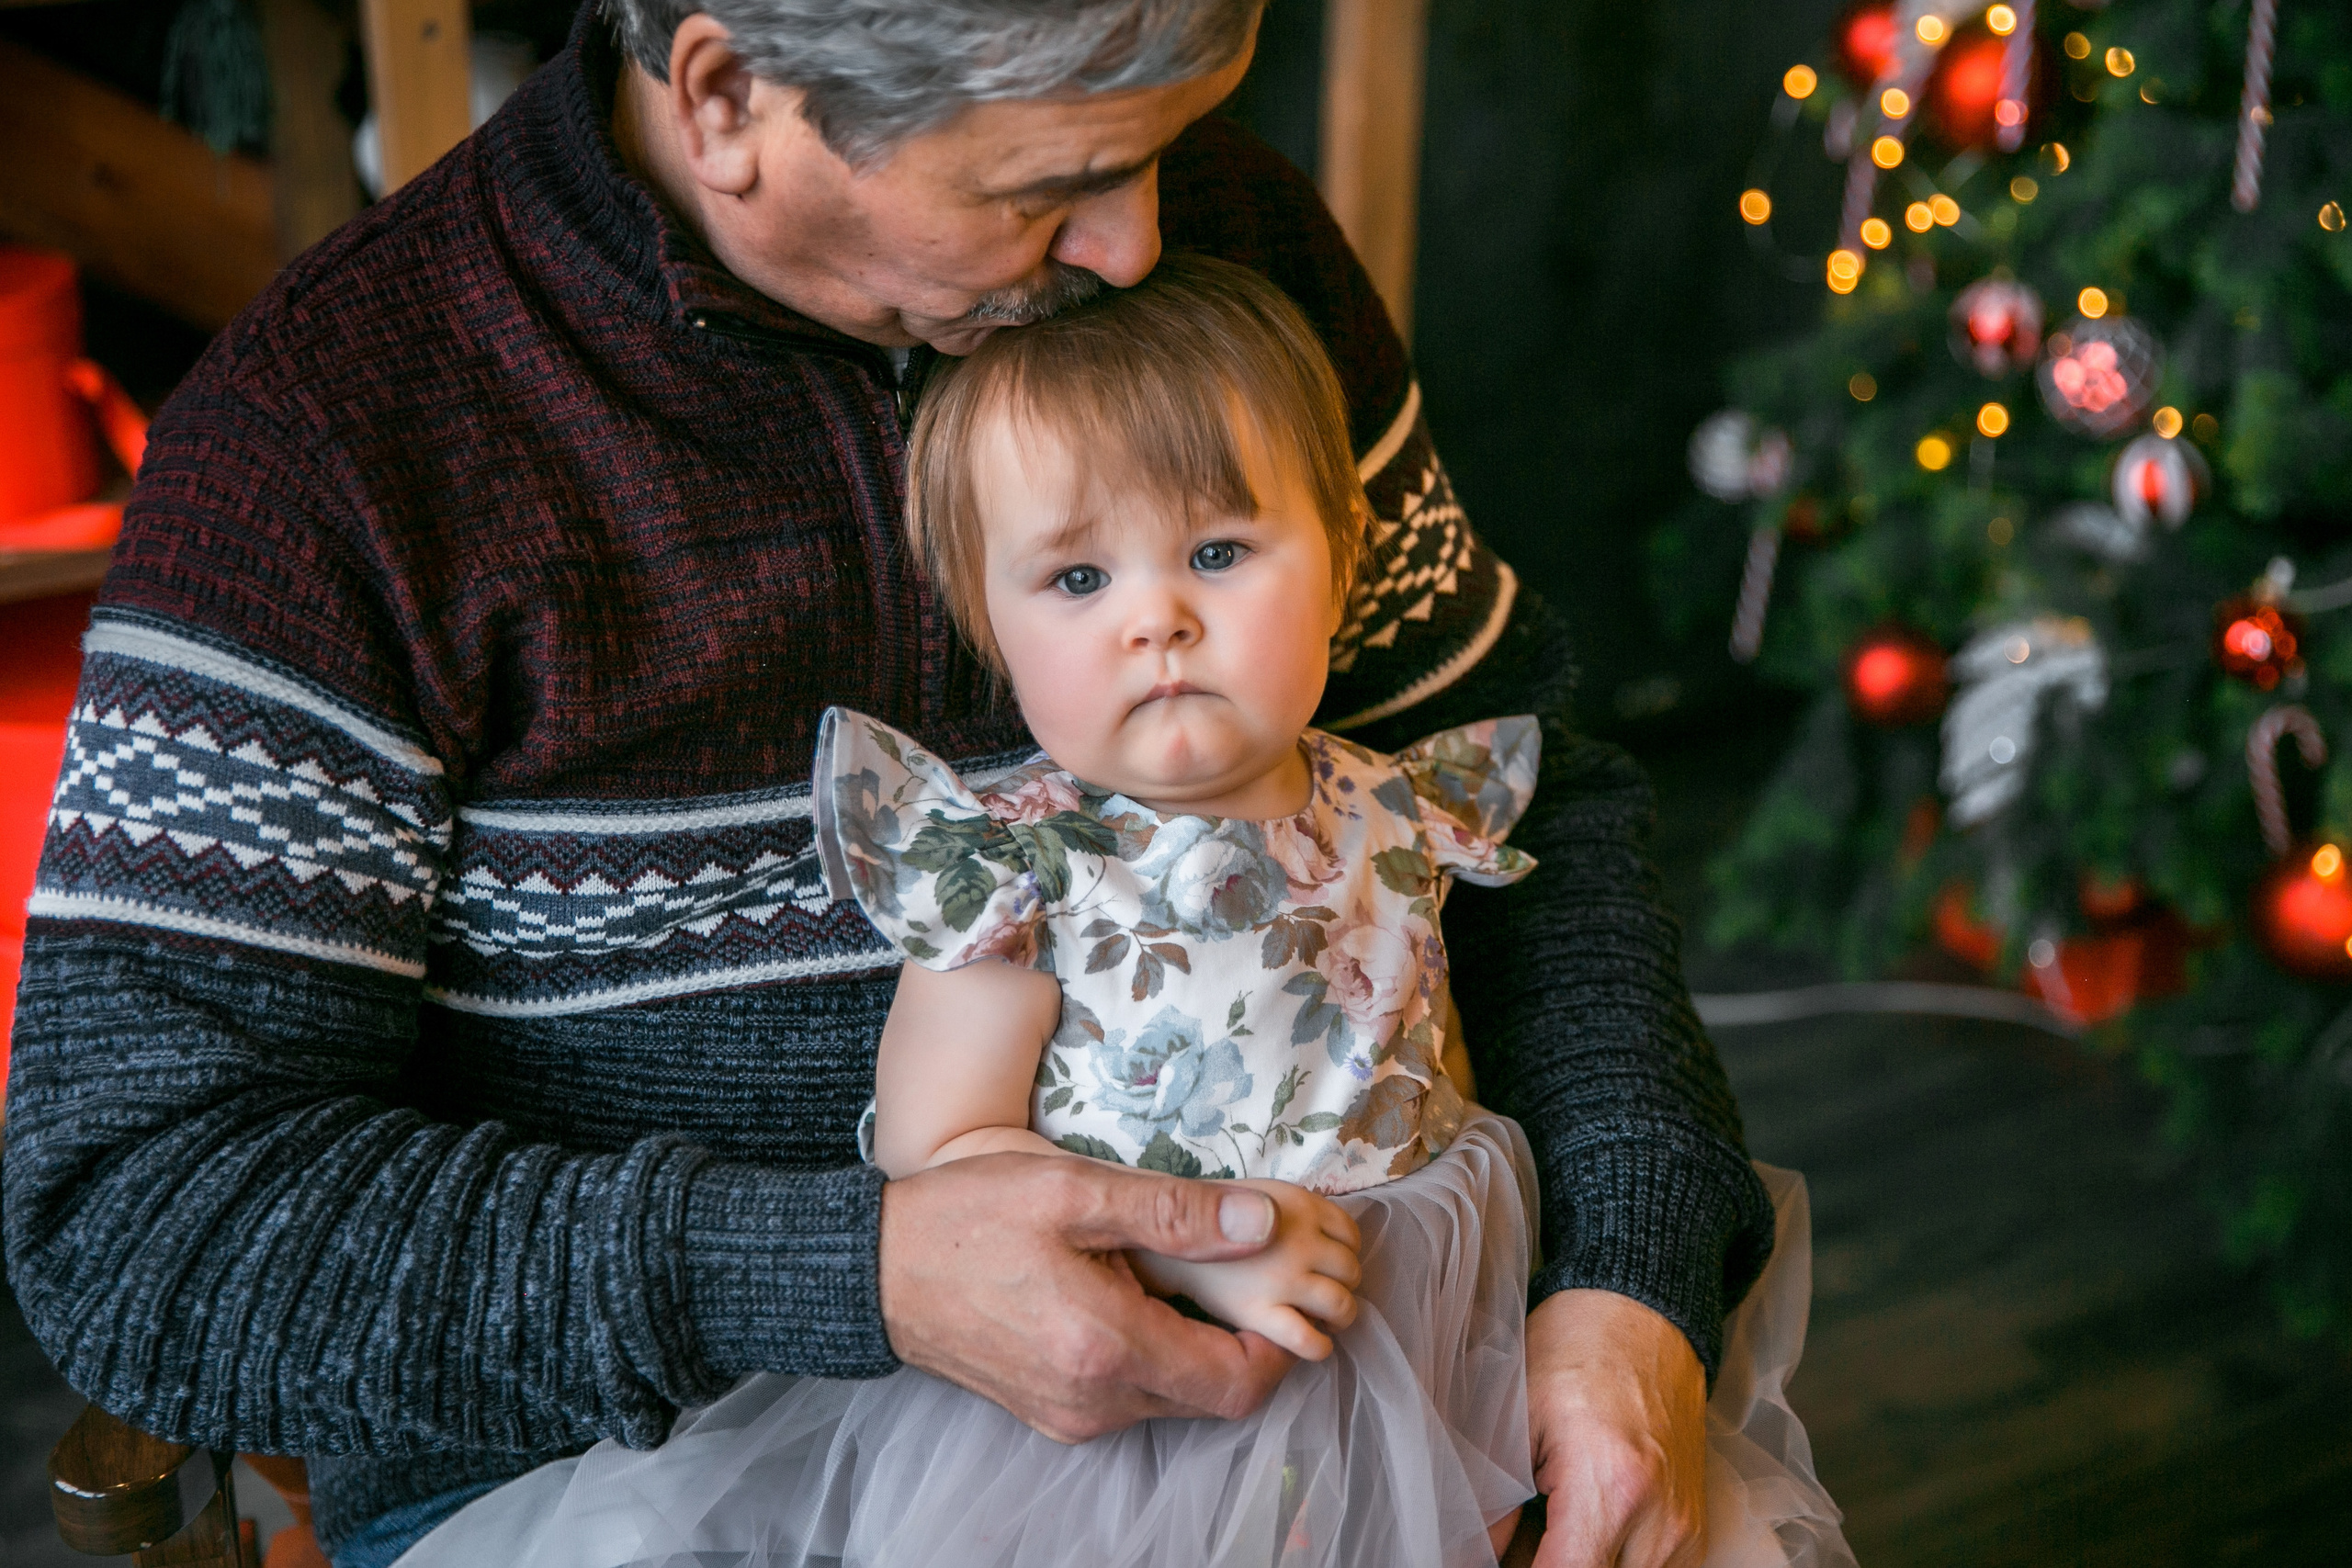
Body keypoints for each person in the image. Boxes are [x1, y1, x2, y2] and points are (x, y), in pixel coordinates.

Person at [3, 4, 1781, 1566]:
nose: (1137, 241)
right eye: (1043, 185)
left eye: (1160, 145)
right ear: (725, 95)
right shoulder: (334, 438)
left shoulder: (1217, 244)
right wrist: (850, 1272)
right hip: (640, 1477)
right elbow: (138, 1219)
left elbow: (1526, 802)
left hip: (1350, 1358)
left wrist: (1628, 1267)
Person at [388, 257, 1847, 1568]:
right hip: (1115, 1408)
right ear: (988, 625)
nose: (1157, 617)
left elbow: (1432, 1059)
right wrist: (1185, 1244)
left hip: (1415, 1358)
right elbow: (940, 1155)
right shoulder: (1016, 865)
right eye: (1079, 578)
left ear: (1342, 556)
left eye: (1217, 553)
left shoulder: (1402, 811)